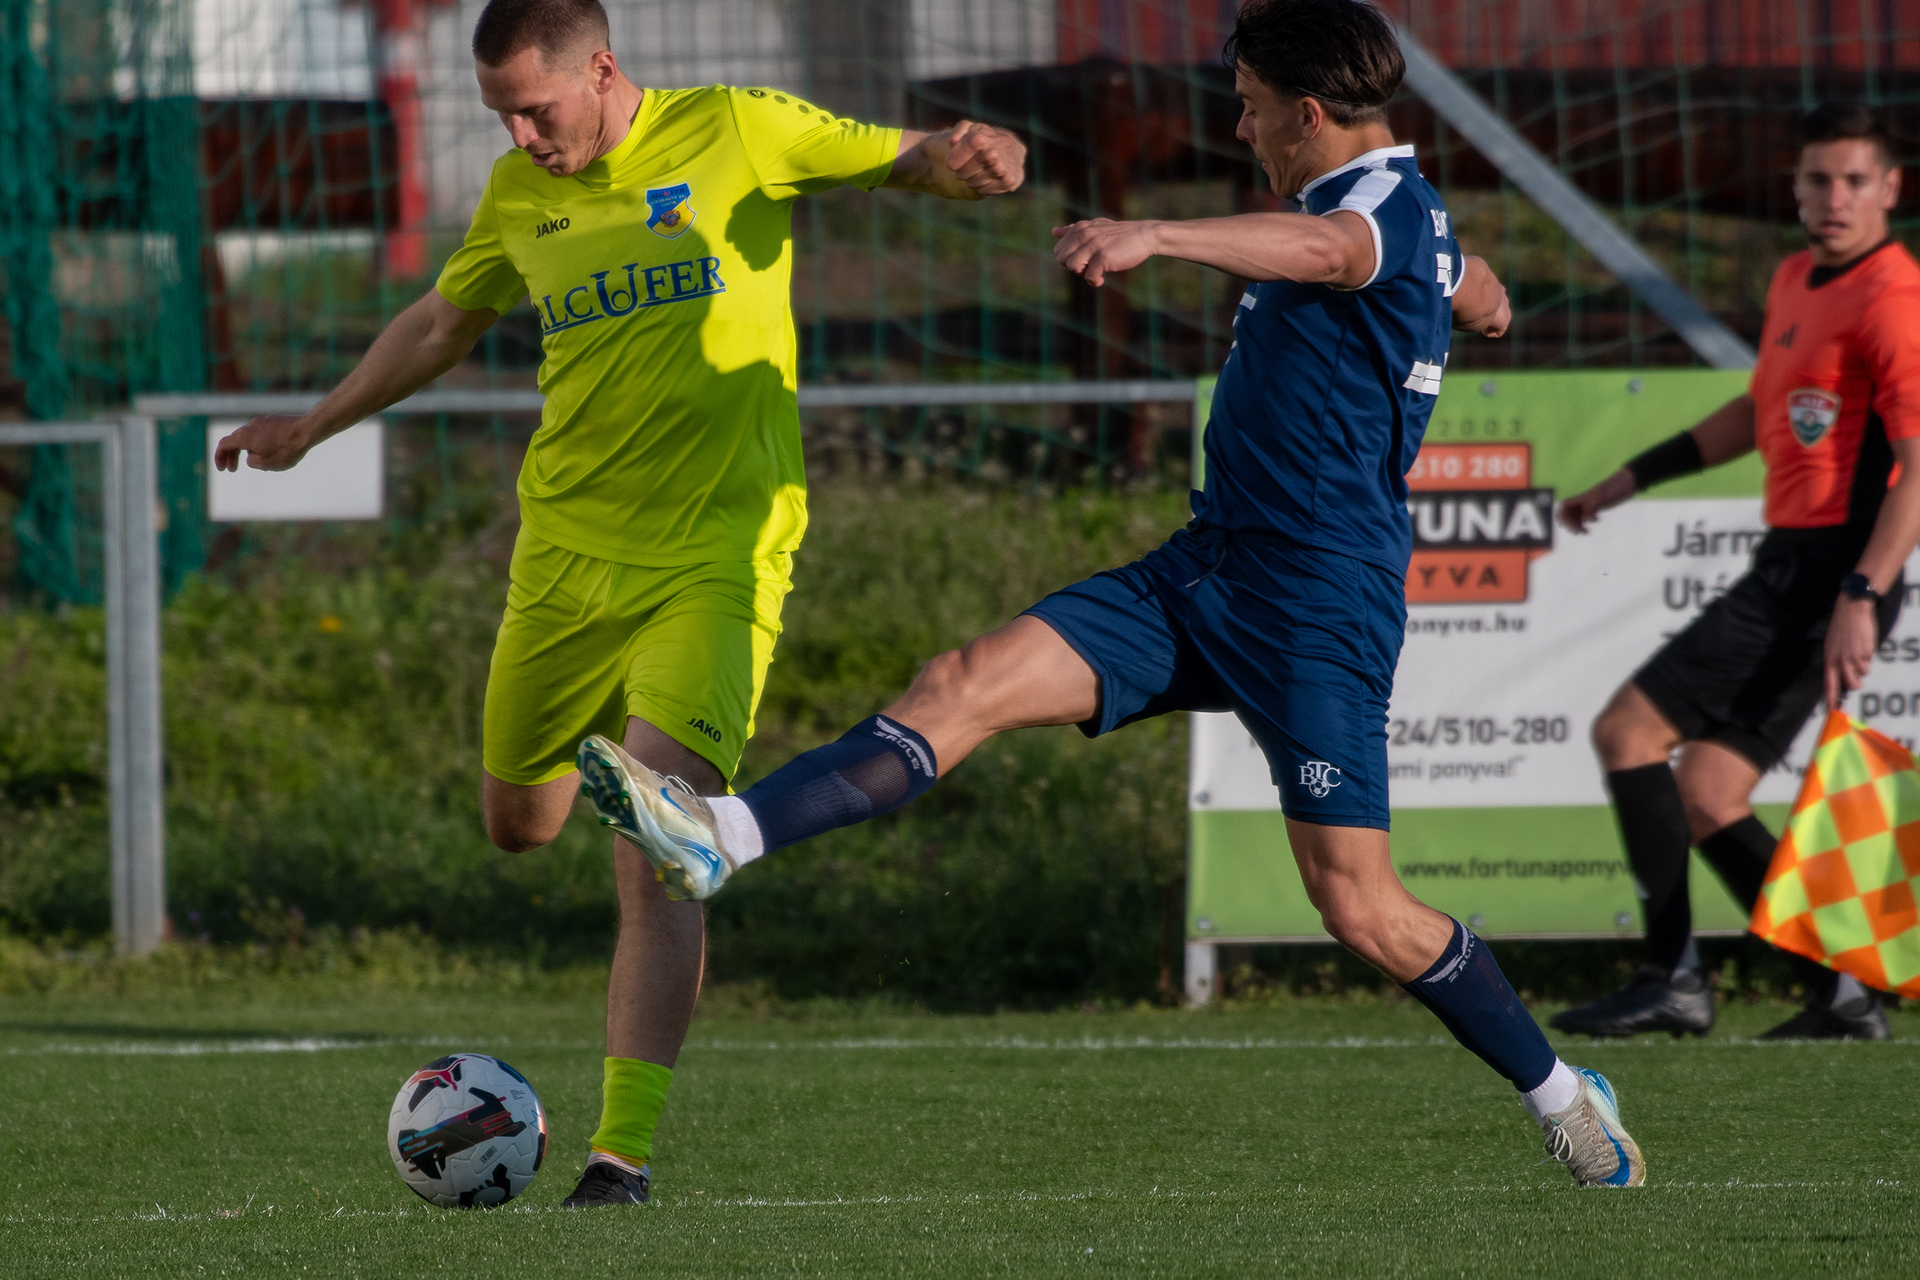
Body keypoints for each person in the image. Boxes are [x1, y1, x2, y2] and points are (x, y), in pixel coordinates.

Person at [584, 0, 1646, 1189]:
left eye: (1249, 109)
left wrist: (1159, 234)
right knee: (965, 680)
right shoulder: (1401, 217)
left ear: (1308, 113)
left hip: (1319, 600)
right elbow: (1457, 278)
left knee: (1360, 905)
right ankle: (723, 835)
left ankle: (1564, 1094)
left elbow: (1336, 253)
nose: (1239, 129)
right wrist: (1476, 294)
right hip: (1206, 569)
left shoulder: (1375, 207)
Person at [212, 0, 1027, 1208]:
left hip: (716, 559)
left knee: (661, 848)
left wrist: (974, 159)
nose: (522, 137)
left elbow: (905, 157)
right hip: (563, 560)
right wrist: (309, 426)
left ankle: (618, 1158)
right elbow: (440, 322)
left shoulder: (737, 128)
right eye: (501, 117)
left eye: (535, 110)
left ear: (600, 69)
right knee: (516, 824)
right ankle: (605, 753)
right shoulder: (516, 194)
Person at [1553, 101, 1920, 1043]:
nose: (1834, 197)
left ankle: (1671, 977)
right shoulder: (1797, 276)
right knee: (1709, 794)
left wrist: (1863, 593)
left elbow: (1918, 471)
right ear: (1794, 188)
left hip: (1831, 574)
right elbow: (1759, 409)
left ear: (1890, 189)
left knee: (1626, 731)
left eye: (1854, 180)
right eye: (1817, 179)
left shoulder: (1893, 298)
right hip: (1794, 566)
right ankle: (1841, 997)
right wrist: (1632, 478)